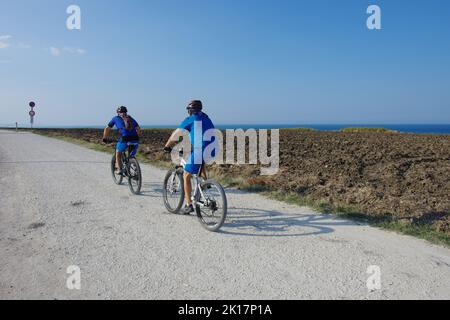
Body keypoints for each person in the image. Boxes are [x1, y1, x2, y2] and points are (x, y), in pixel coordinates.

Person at [164, 100, 215, 214]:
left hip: (200, 149)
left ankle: (188, 205)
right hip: (212, 149)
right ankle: (205, 185)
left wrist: (167, 146)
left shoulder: (190, 119)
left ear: (190, 111)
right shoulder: (207, 118)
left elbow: (175, 134)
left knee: (186, 175)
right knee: (200, 164)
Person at [103, 106, 141, 175]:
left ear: (118, 113)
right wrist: (137, 137)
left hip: (124, 139)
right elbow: (138, 128)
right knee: (131, 156)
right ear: (126, 112)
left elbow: (107, 129)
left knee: (118, 153)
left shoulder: (115, 118)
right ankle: (135, 170)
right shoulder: (130, 118)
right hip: (135, 139)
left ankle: (120, 169)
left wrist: (104, 138)